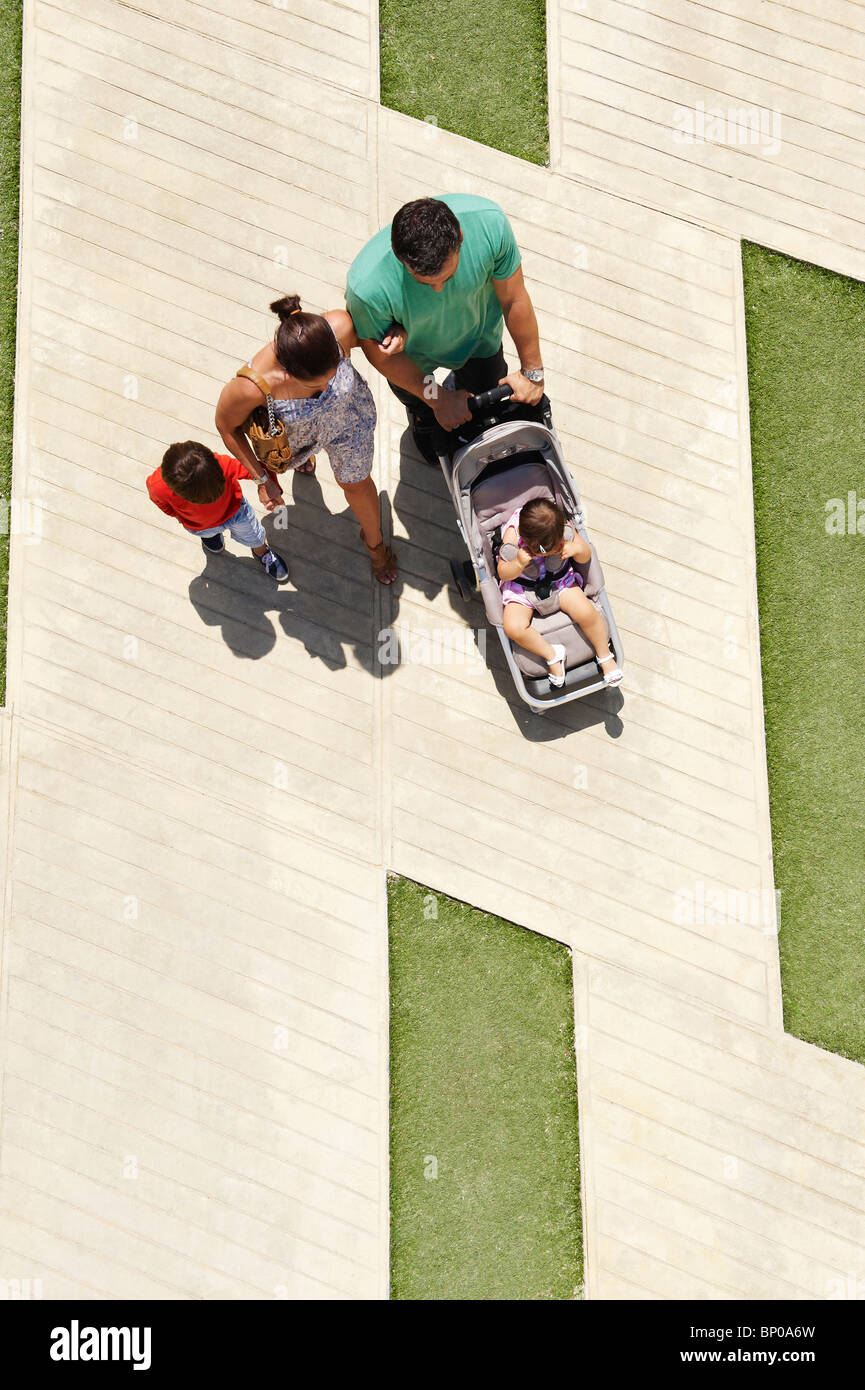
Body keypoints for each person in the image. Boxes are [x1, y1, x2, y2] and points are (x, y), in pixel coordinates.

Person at [345, 194, 546, 463]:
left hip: (480, 341)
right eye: (425, 283)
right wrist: (437, 399)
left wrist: (533, 372)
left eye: (448, 277)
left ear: (460, 236)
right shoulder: (365, 289)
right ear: (399, 257)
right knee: (422, 406)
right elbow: (378, 353)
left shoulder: (490, 225)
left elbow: (514, 299)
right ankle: (423, 420)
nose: (439, 290)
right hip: (412, 363)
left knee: (485, 399)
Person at [215, 295, 397, 584]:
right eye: (317, 385)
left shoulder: (341, 326)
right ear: (286, 373)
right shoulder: (249, 388)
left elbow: (382, 340)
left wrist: (398, 336)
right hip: (297, 439)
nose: (328, 388)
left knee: (357, 484)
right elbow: (227, 427)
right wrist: (262, 479)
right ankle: (305, 459)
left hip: (348, 422)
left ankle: (375, 545)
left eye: (335, 375)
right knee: (300, 459)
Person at [497, 498, 623, 688]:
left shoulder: (562, 530)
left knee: (587, 612)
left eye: (552, 549)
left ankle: (605, 655)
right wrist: (518, 563)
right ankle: (552, 654)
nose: (547, 554)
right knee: (513, 627)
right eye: (541, 552)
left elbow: (586, 554)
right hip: (523, 588)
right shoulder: (513, 534)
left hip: (559, 582)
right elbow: (502, 572)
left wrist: (575, 549)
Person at [146, 440, 289, 581]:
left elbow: (258, 469)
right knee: (209, 534)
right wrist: (177, 516)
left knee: (254, 535)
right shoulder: (157, 486)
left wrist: (266, 486)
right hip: (200, 526)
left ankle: (261, 551)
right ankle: (211, 536)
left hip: (237, 512)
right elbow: (160, 502)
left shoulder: (220, 464)